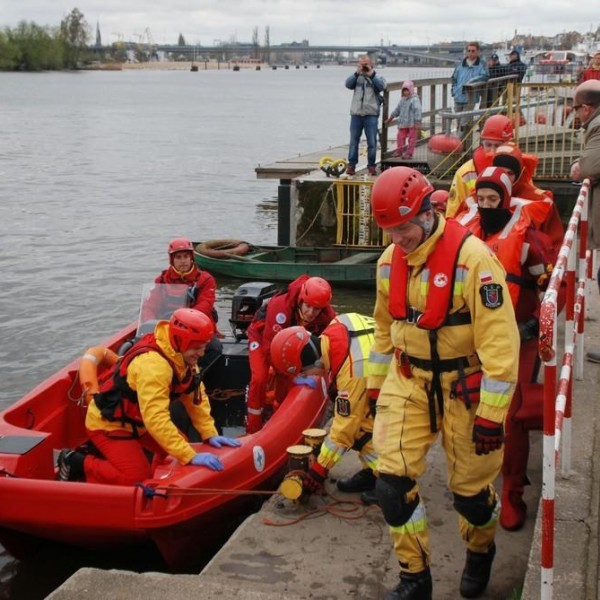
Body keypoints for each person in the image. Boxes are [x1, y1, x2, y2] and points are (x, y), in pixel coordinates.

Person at [367, 166, 519, 599]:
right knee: (390, 486)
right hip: (409, 379)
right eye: (389, 231)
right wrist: (375, 390)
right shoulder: (387, 264)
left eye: (403, 228)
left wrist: (492, 415)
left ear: (427, 212)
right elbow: (382, 331)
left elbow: (500, 344)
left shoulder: (475, 262)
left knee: (470, 495)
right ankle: (415, 576)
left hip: (464, 388)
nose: (397, 240)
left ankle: (480, 550)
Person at [456, 167, 557, 531]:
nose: (486, 206)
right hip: (472, 335)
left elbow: (549, 289)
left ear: (505, 199)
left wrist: (534, 321)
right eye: (481, 200)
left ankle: (513, 491)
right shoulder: (464, 234)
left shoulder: (527, 239)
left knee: (510, 417)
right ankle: (475, 481)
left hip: (514, 334)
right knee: (467, 408)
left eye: (493, 200)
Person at [57, 309, 241, 485]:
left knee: (179, 445)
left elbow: (195, 397)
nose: (201, 354)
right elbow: (156, 418)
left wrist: (209, 433)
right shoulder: (154, 366)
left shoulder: (181, 357)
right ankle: (76, 461)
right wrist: (189, 455)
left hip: (138, 421)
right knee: (135, 477)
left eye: (204, 348)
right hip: (109, 423)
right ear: (181, 341)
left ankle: (157, 482)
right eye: (197, 348)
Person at [270, 314, 378, 503]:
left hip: (407, 403)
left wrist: (319, 471)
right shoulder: (338, 325)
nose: (308, 377)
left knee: (356, 430)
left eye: (304, 372)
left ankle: (391, 480)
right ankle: (374, 473)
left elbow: (344, 430)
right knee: (356, 419)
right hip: (394, 381)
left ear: (314, 363)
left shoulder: (353, 370)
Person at [246, 275, 336, 433]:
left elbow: (334, 339)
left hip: (293, 341)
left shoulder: (326, 314)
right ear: (301, 299)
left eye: (316, 309)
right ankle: (252, 427)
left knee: (285, 378)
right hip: (262, 337)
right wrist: (293, 375)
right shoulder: (281, 307)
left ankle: (278, 418)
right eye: (308, 306)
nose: (310, 313)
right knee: (260, 378)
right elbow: (270, 349)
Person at [570, 80, 600, 363]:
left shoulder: (598, 126)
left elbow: (589, 166)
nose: (575, 113)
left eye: (577, 108)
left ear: (587, 108)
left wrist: (578, 167)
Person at [492, 144, 564, 250]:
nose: (505, 178)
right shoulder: (480, 195)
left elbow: (554, 241)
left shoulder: (539, 200)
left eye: (510, 173)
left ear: (519, 174)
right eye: (501, 172)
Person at [445, 114, 514, 218]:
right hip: (473, 228)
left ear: (509, 143)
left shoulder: (518, 169)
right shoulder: (465, 172)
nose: (493, 151)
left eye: (498, 145)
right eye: (488, 145)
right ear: (482, 143)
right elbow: (453, 213)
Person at [345, 54, 387, 176]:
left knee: (372, 142)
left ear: (371, 64)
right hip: (356, 113)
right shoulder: (356, 77)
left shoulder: (377, 76)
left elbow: (382, 86)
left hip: (371, 114)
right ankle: (351, 165)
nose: (363, 67)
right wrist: (357, 72)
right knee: (353, 141)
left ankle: (371, 166)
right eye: (361, 64)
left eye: (365, 64)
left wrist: (371, 74)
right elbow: (347, 84)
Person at [451, 42, 488, 133]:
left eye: (473, 51)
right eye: (469, 51)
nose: (470, 53)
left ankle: (459, 144)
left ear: (478, 51)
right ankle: (461, 145)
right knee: (459, 122)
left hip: (470, 97)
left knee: (464, 123)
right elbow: (454, 78)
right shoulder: (460, 64)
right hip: (458, 96)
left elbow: (485, 76)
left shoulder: (482, 64)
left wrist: (472, 81)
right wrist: (453, 91)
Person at [385, 80, 422, 159]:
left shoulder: (415, 99)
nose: (406, 92)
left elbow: (418, 110)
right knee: (400, 136)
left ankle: (409, 153)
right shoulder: (402, 100)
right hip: (403, 123)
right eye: (404, 91)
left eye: (407, 90)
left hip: (412, 123)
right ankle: (399, 151)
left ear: (411, 90)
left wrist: (417, 122)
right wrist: (391, 118)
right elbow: (397, 110)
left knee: (412, 139)